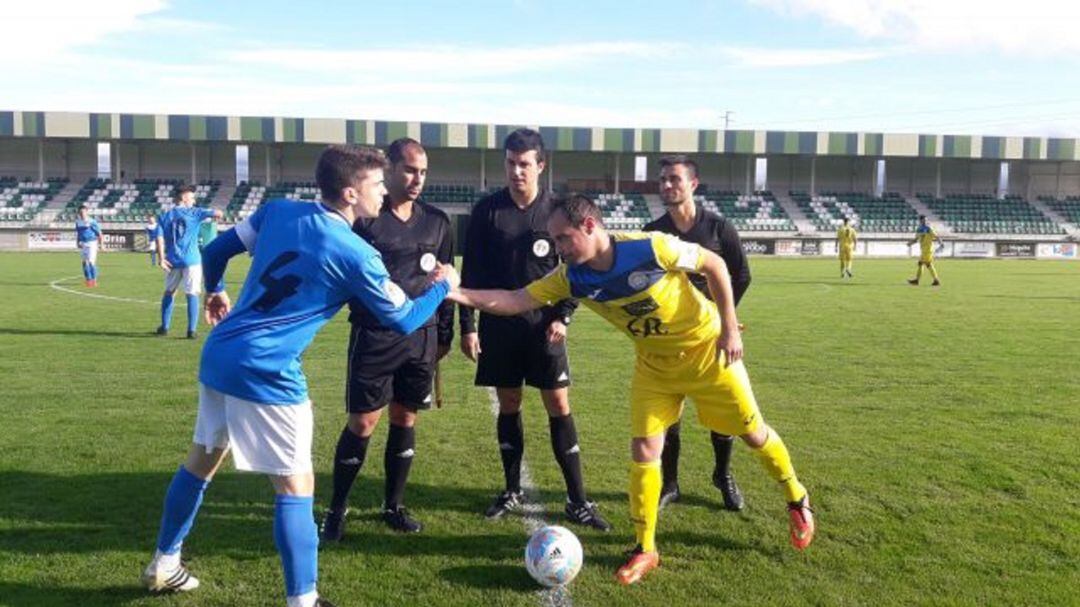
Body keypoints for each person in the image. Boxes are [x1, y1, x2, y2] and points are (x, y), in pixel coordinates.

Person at [139, 145, 459, 607]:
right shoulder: (356, 253)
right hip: (266, 372)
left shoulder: (277, 212)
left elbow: (216, 250)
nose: (383, 190)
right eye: (375, 183)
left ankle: (163, 563)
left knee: (201, 461)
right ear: (351, 193)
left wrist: (217, 290)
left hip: (221, 355)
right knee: (296, 487)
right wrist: (444, 286)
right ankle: (303, 601)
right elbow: (406, 320)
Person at [449, 193, 815, 586]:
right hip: (655, 367)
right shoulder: (572, 276)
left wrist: (728, 327)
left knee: (753, 434)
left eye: (563, 239)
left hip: (708, 355)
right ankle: (646, 548)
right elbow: (516, 300)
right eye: (554, 242)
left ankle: (797, 498)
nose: (558, 249)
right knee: (644, 450)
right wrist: (456, 293)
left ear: (590, 226)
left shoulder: (650, 247)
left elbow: (716, 264)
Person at [459, 128, 609, 531]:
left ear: (540, 165)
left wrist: (564, 315)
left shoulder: (556, 212)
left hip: (545, 327)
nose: (516, 171)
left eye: (525, 164)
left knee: (558, 405)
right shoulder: (487, 211)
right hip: (499, 325)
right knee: (509, 404)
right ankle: (511, 489)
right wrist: (468, 327)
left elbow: (577, 267)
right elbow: (469, 273)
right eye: (510, 163)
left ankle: (578, 499)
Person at [321, 138, 454, 538]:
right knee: (363, 423)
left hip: (422, 337)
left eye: (424, 172)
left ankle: (393, 505)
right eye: (410, 170)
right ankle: (336, 510)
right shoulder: (365, 221)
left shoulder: (438, 221)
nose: (418, 179)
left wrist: (445, 334)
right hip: (375, 336)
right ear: (390, 170)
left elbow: (447, 278)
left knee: (405, 416)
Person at [644, 155, 751, 512]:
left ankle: (722, 475)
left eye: (674, 179)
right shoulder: (653, 232)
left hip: (713, 339)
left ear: (693, 184)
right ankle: (670, 484)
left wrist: (726, 321)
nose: (667, 185)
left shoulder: (719, 229)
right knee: (669, 416)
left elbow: (741, 276)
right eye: (662, 180)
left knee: (723, 412)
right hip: (668, 342)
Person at [155, 185, 223, 339]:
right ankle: (191, 331)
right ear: (184, 197)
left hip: (172, 260)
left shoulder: (165, 216)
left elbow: (158, 237)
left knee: (169, 292)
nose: (194, 200)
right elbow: (218, 213)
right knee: (192, 293)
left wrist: (161, 258)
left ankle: (164, 327)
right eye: (192, 197)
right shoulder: (196, 212)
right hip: (192, 260)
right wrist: (214, 214)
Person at [908, 215, 942, 286]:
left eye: (926, 220)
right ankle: (934, 280)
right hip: (923, 250)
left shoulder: (929, 228)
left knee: (925, 264)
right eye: (923, 220)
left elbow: (936, 236)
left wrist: (940, 242)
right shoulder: (919, 229)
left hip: (928, 250)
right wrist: (910, 243)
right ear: (920, 221)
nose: (925, 221)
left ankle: (934, 280)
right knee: (924, 264)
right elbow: (916, 239)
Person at [75, 204, 103, 287]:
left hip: (92, 243)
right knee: (84, 262)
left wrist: (101, 245)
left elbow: (99, 233)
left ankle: (94, 280)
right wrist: (77, 242)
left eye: (83, 212)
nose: (81, 214)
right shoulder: (78, 222)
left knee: (91, 262)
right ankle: (88, 279)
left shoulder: (91, 221)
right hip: (83, 243)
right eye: (80, 212)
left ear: (86, 212)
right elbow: (78, 233)